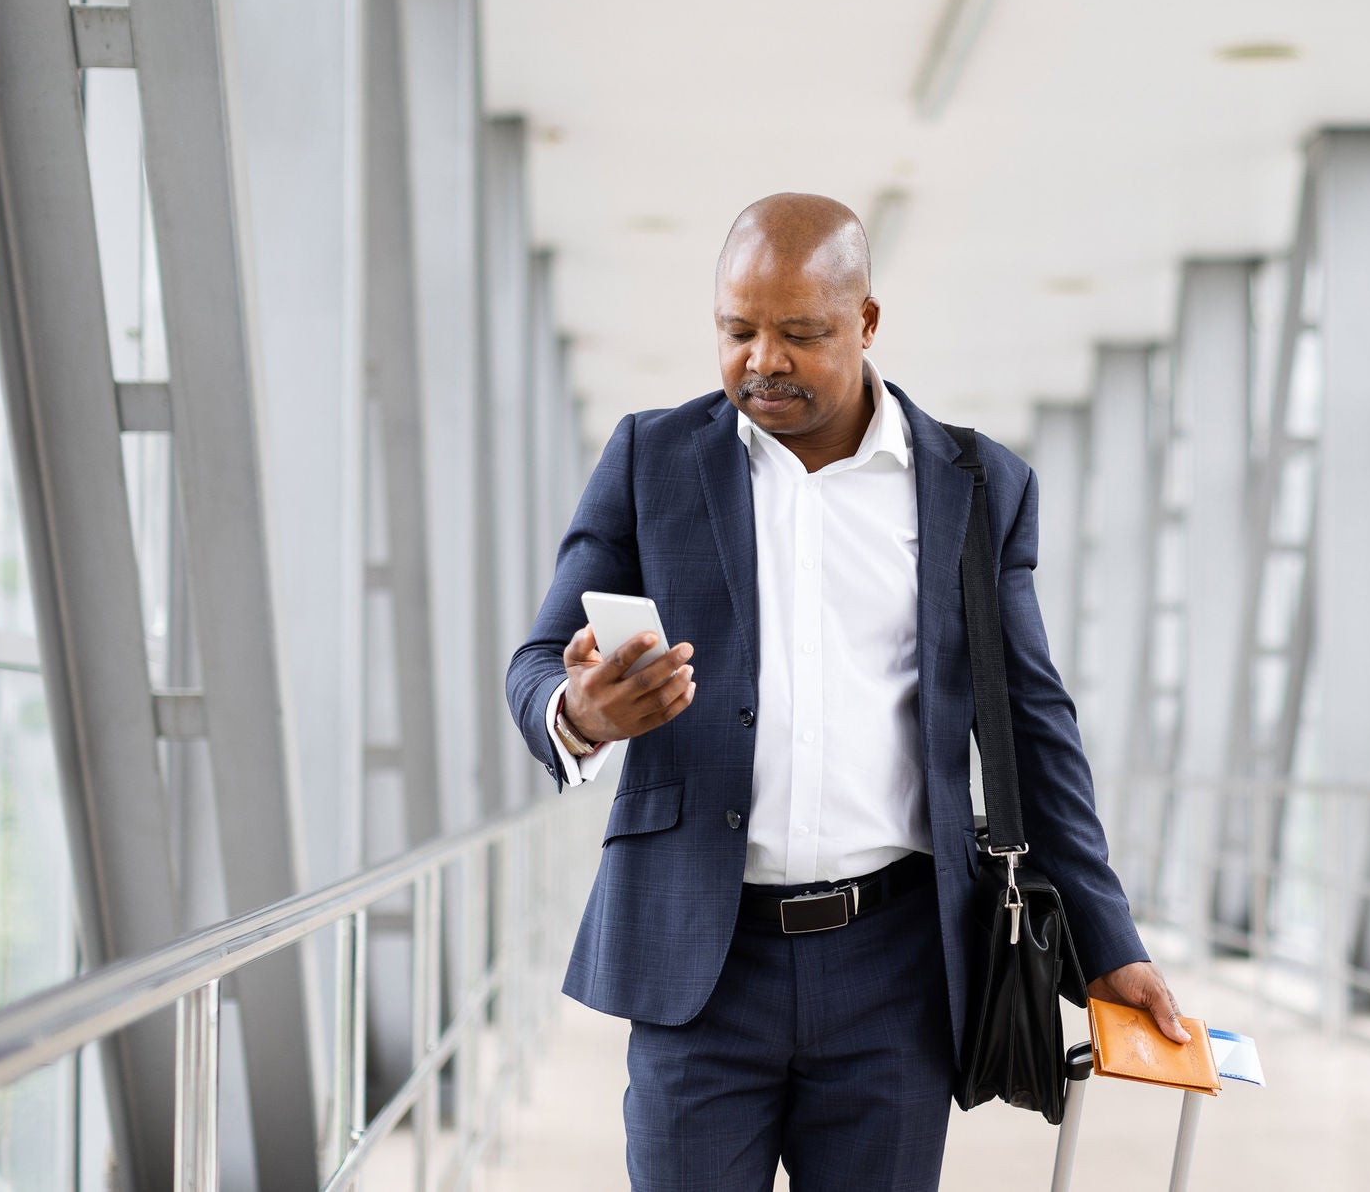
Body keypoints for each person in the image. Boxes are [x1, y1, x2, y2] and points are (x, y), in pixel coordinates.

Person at [506, 192, 1186, 1191]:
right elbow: (535, 664)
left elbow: (1035, 728)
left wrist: (1104, 940)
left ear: (864, 323)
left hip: (897, 972)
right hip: (701, 959)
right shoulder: (650, 461)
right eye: (736, 331)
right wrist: (581, 716)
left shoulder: (975, 485)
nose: (760, 360)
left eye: (799, 333)